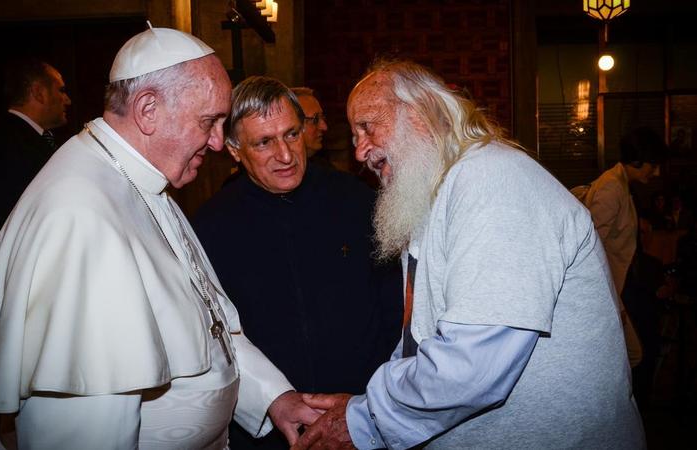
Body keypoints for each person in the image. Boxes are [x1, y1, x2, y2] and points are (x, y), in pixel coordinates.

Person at [0, 25, 318, 449]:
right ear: (148, 109)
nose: (216, 141)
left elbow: (210, 325)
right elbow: (84, 433)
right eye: (208, 121)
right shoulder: (81, 219)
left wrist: (273, 398)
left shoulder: (142, 182)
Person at [294, 60, 644, 449]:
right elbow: (422, 338)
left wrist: (365, 418)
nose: (360, 151)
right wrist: (372, 406)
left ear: (423, 112)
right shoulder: (439, 193)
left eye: (367, 126)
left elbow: (472, 368)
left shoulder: (493, 181)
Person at [193, 76, 402, 449]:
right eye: (264, 142)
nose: (286, 155)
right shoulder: (209, 229)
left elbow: (395, 312)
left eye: (291, 134)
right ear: (234, 149)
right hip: (266, 433)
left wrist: (376, 406)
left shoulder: (358, 202)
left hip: (361, 422)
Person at [0, 58, 71, 284]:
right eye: (61, 90)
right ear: (39, 92)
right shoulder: (5, 145)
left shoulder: (31, 140)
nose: (67, 100)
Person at [584, 127, 667, 367]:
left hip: (621, 282)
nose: (656, 171)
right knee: (635, 354)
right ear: (638, 160)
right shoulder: (612, 188)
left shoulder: (619, 182)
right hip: (613, 284)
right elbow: (591, 244)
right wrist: (610, 302)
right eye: (653, 164)